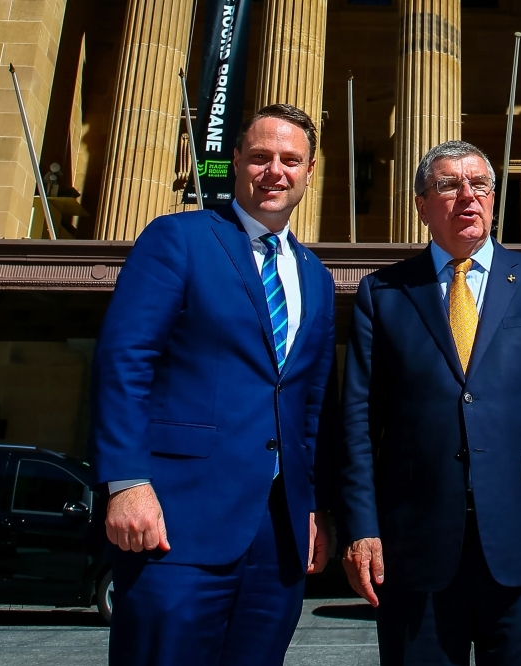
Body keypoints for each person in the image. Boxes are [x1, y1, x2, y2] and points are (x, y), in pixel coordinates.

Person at [91, 104, 338, 665]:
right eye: (261, 157)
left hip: (277, 536)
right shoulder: (178, 238)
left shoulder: (316, 278)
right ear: (236, 162)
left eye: (291, 160)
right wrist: (125, 481)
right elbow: (125, 360)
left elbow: (310, 405)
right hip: (176, 523)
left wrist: (315, 505)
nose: (275, 171)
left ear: (310, 170)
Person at [336, 140, 521, 665]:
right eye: (448, 185)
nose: (467, 196)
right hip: (415, 549)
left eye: (480, 185)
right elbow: (358, 423)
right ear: (422, 205)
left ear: (495, 199)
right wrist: (362, 526)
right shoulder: (383, 293)